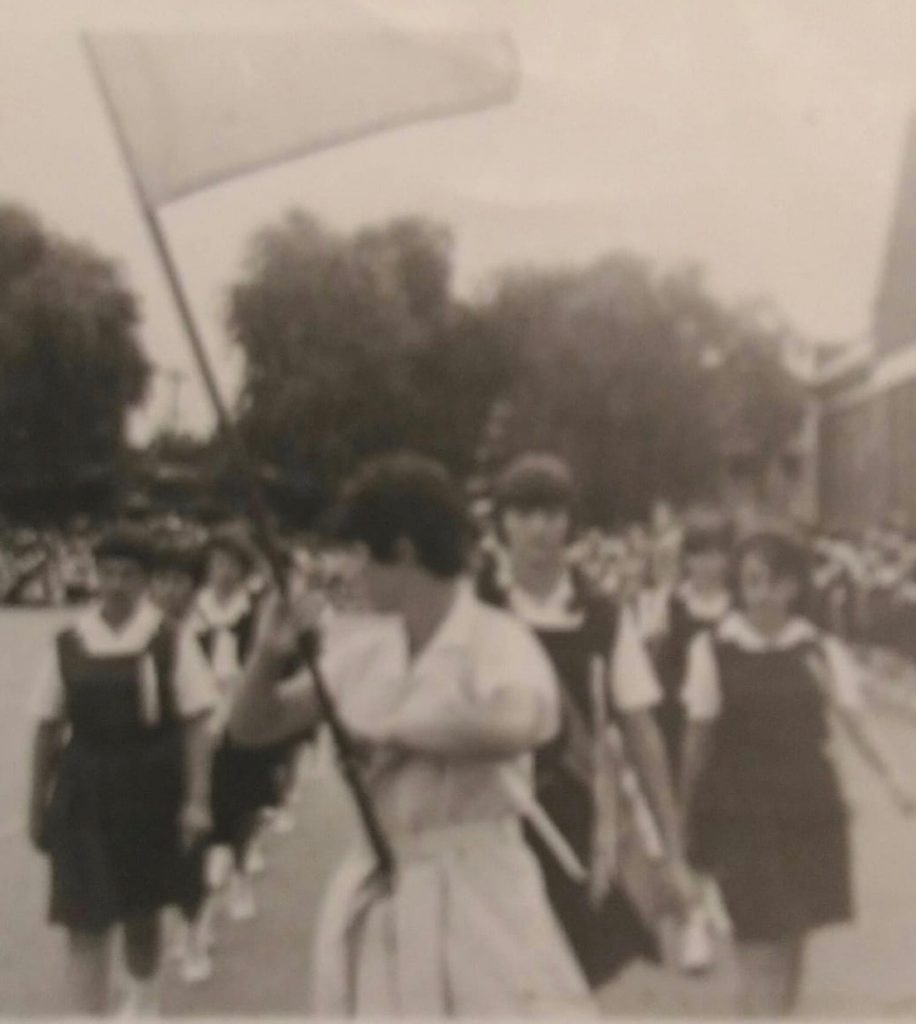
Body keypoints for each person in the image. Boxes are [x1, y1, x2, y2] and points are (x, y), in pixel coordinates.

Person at [228, 452, 593, 1016]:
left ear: (403, 551)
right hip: (387, 890)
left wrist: (394, 732)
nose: (350, 574)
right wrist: (267, 655)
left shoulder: (497, 639)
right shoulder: (365, 649)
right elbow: (254, 728)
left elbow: (517, 724)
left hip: (484, 895)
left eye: (360, 556)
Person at [477, 453, 696, 992]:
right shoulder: (475, 612)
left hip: (577, 826)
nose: (540, 529)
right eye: (525, 513)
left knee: (576, 983)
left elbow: (642, 734)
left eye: (552, 514)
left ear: (569, 523)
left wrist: (671, 850)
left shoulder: (602, 617)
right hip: (491, 820)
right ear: (502, 521)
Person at [679, 529, 916, 1016]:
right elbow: (696, 742)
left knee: (789, 955)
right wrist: (683, 815)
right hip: (741, 815)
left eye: (766, 581)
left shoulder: (818, 649)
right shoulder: (714, 649)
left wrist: (896, 779)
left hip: (809, 815)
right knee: (758, 950)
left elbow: (855, 722)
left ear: (791, 588)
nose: (755, 592)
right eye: (748, 581)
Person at [27, 527, 218, 1015]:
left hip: (150, 785)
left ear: (147, 581)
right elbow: (47, 728)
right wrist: (35, 805)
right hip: (83, 785)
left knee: (141, 910)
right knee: (82, 915)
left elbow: (197, 722)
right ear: (95, 577)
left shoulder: (169, 640)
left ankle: (143, 998)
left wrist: (196, 799)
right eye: (108, 573)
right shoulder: (69, 642)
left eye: (129, 575)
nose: (116, 584)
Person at [151, 537, 217, 985]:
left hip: (200, 748)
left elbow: (219, 700)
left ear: (196, 589)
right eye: (163, 580)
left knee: (191, 849)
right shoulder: (144, 634)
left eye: (181, 581)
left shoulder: (211, 631)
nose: (171, 590)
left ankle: (194, 933)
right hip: (149, 754)